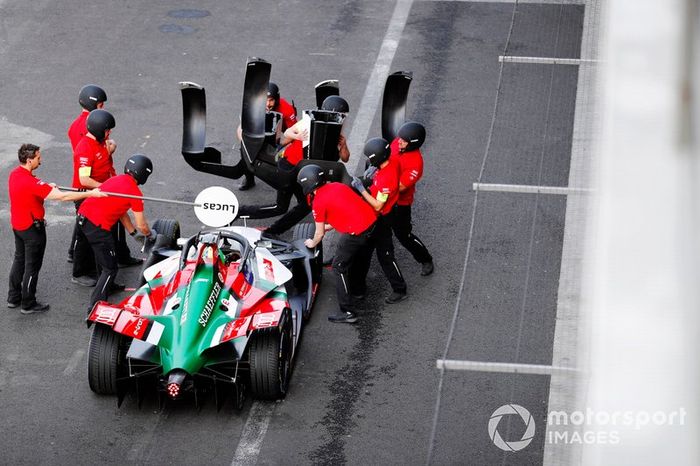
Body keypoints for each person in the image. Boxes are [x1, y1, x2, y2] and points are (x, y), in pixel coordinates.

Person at [7, 144, 104, 314]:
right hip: (32, 229)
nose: (40, 160)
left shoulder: (15, 174)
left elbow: (32, 191)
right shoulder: (33, 182)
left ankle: (13, 297)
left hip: (18, 225)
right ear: (29, 160)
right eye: (38, 157)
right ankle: (28, 303)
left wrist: (46, 187)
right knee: (32, 266)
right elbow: (63, 196)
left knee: (19, 261)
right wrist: (90, 193)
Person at [238, 95, 350, 236]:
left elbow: (345, 158)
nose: (343, 119)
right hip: (289, 168)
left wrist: (343, 145)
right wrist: (296, 136)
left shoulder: (336, 133)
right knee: (280, 207)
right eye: (342, 116)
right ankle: (240, 212)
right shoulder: (308, 122)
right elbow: (288, 132)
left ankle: (273, 231)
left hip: (305, 173)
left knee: (304, 205)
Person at [75, 154, 155, 314]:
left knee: (102, 257)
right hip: (97, 226)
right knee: (110, 268)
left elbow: (120, 210)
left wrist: (132, 232)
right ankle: (95, 306)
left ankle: (108, 286)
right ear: (143, 174)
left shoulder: (116, 180)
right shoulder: (135, 193)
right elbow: (142, 225)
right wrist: (149, 235)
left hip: (82, 217)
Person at [71, 109, 141, 287]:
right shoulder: (85, 149)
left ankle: (116, 260)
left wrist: (111, 148)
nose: (109, 134)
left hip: (105, 191)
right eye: (107, 130)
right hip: (89, 194)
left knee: (113, 228)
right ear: (97, 129)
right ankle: (79, 272)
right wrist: (107, 187)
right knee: (86, 236)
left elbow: (107, 151)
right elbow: (84, 179)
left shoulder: (101, 142)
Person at [298, 164, 377, 324]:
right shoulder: (337, 186)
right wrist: (329, 226)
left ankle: (348, 311)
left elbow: (318, 234)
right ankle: (359, 290)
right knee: (360, 258)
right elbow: (345, 209)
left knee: (338, 267)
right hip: (372, 225)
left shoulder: (318, 202)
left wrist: (311, 243)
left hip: (356, 233)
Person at [350, 137, 407, 303]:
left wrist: (361, 188)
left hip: (381, 219)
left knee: (385, 256)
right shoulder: (392, 162)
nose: (368, 160)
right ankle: (358, 288)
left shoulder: (386, 179)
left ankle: (399, 289)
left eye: (370, 157)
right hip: (380, 217)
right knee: (364, 252)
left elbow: (377, 205)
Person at [67, 85, 108, 263]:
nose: (103, 108)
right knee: (84, 224)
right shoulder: (89, 127)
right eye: (100, 105)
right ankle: (76, 257)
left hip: (87, 178)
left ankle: (73, 252)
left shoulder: (75, 125)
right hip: (90, 182)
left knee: (82, 222)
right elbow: (88, 156)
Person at [389, 121, 434, 276]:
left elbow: (399, 187)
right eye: (399, 138)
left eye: (403, 140)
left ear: (413, 144)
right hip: (382, 197)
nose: (398, 141)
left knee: (404, 236)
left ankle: (425, 258)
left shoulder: (416, 163)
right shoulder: (398, 142)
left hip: (399, 204)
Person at [236, 82, 297, 191]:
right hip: (259, 130)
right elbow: (240, 129)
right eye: (266, 100)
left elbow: (295, 132)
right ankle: (249, 179)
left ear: (276, 99)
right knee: (244, 152)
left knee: (287, 156)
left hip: (281, 132)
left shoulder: (287, 109)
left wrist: (281, 144)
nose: (268, 104)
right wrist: (246, 145)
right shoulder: (253, 106)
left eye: (271, 100)